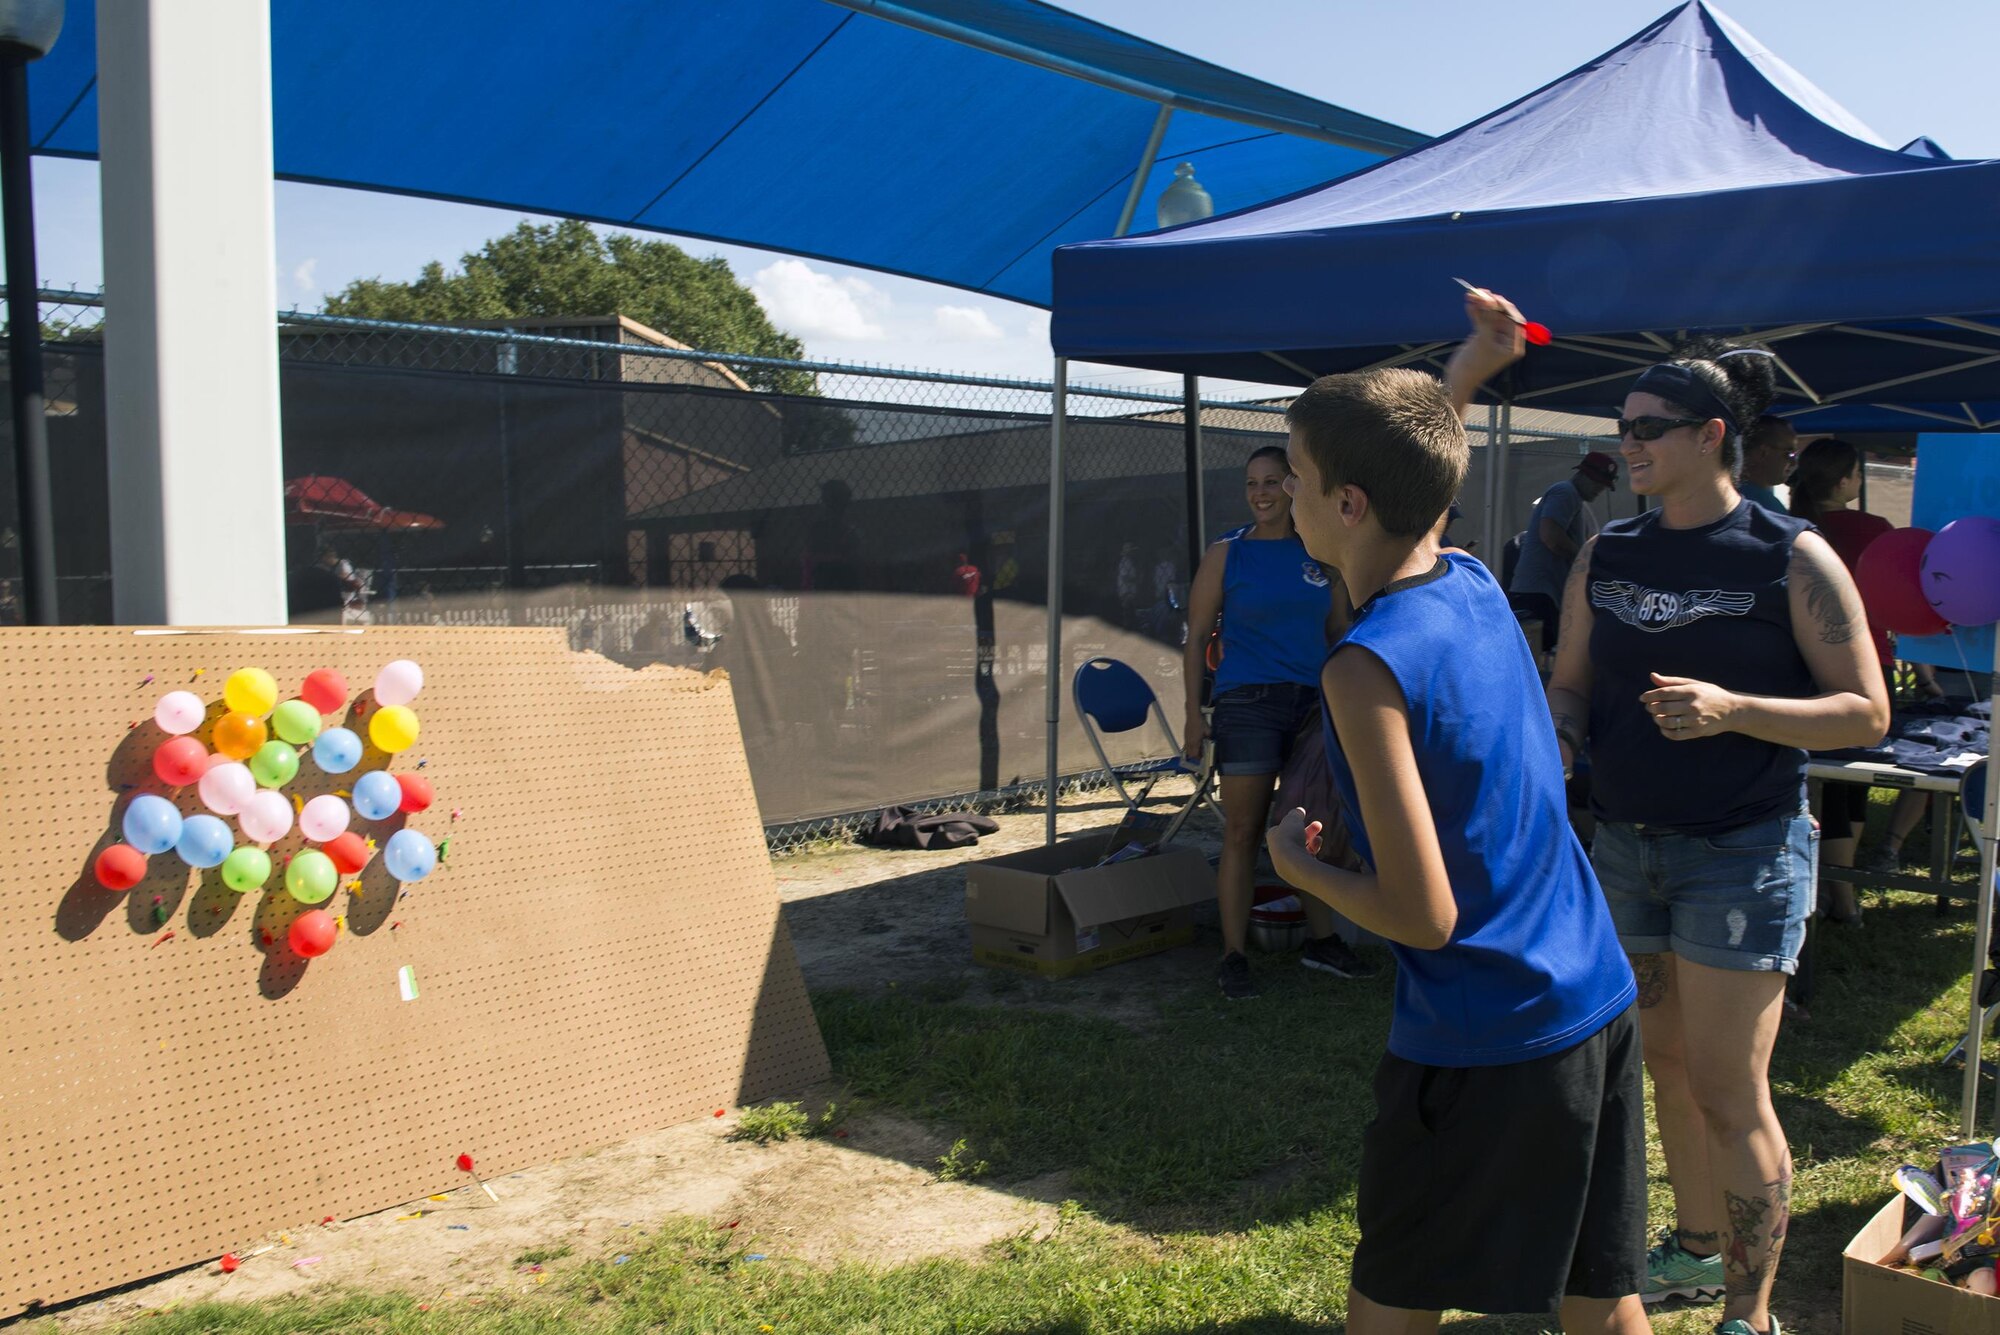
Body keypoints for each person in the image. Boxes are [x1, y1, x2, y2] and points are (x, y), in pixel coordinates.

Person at [1268, 291, 1647, 1334]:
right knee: (1597, 1295)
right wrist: (1464, 375)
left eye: (1293, 480)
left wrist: (1298, 873)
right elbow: (1413, 469)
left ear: (1345, 503)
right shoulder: (1472, 582)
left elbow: (1422, 915)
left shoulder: (1362, 667)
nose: (1279, 499)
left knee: (1389, 1305)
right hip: (1592, 998)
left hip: (1490, 1043)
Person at [1546, 341, 1889, 1335]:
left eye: (1647, 428)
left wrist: (1735, 708)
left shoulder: (1788, 553)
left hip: (1739, 850)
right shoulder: (1607, 552)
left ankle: (1748, 1314)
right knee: (1662, 1061)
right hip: (1623, 846)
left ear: (1710, 438)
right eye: (1619, 430)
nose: (1628, 445)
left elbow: (1865, 714)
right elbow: (1569, 681)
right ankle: (1696, 1248)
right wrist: (1557, 735)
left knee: (1730, 1092)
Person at [1184, 445, 1374, 999]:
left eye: (1273, 482)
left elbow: (1340, 632)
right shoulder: (1228, 554)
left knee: (1306, 830)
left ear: (1295, 487)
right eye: (1252, 484)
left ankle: (1322, 943)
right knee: (1243, 831)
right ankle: (1234, 955)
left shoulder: (1322, 553)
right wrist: (1194, 715)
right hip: (1248, 703)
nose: (1261, 493)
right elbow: (1197, 638)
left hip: (1314, 706)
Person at [1788, 437, 1896, 923]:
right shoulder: (1873, 530)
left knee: (1823, 780)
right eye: (1856, 473)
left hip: (1807, 668)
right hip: (1868, 661)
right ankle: (1844, 898)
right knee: (1853, 783)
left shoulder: (1798, 531)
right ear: (1844, 481)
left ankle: (1831, 892)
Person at [1509, 451, 1618, 648]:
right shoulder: (1565, 492)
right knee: (1540, 659)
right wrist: (1583, 558)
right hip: (1538, 595)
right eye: (1598, 483)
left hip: (1543, 594)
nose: (1600, 489)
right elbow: (1550, 536)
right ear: (1583, 475)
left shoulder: (1573, 498)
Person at [1737, 416, 1796, 512]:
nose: (1793, 463)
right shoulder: (1766, 509)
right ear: (1763, 453)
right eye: (1789, 453)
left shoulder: (1727, 496)